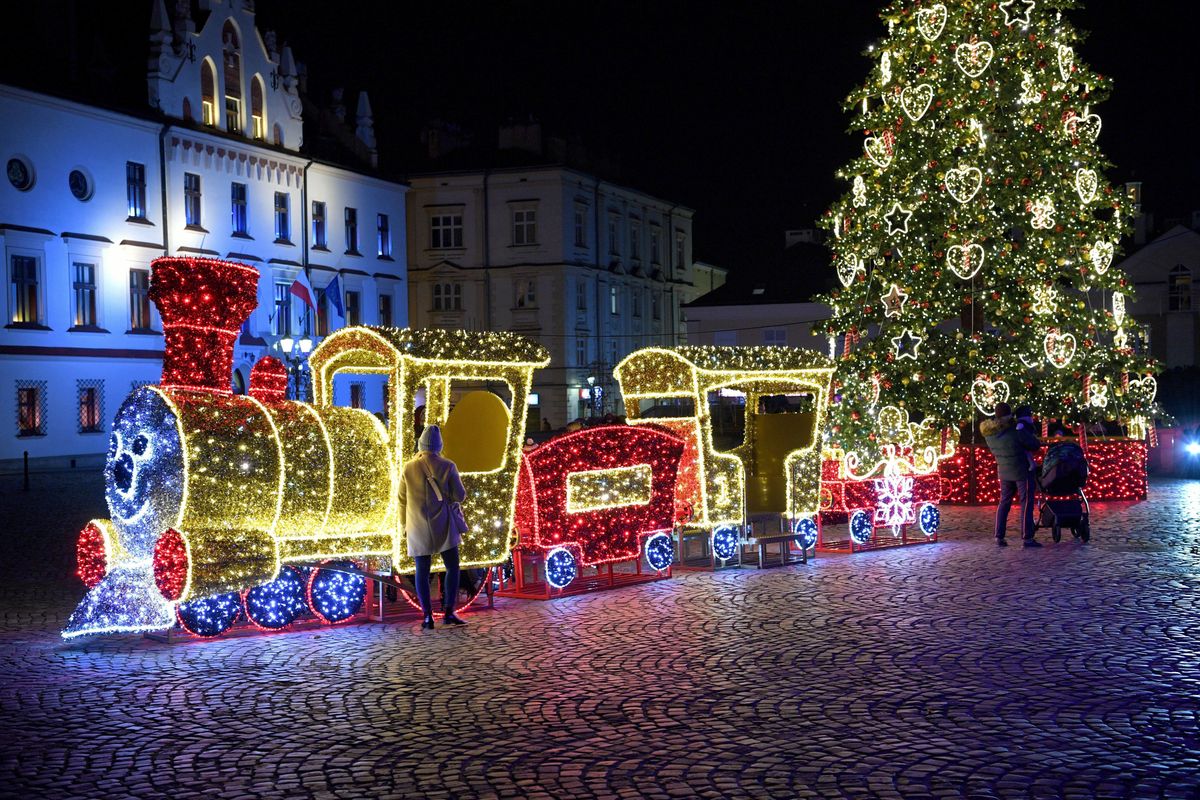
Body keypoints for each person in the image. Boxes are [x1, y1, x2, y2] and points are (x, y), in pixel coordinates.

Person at [397, 424, 468, 628]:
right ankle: (448, 612)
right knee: (452, 567)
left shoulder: (408, 467)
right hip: (444, 524)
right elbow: (460, 496)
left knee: (422, 571)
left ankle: (427, 616)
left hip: (417, 524)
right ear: (439, 445)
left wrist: (404, 525)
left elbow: (401, 499)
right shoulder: (448, 465)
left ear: (421, 443)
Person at [981, 402, 1043, 548]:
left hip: (1003, 472)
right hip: (1022, 471)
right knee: (1026, 503)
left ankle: (999, 536)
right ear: (1009, 415)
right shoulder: (1015, 431)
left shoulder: (990, 434)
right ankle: (1027, 537)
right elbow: (1034, 444)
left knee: (1004, 503)